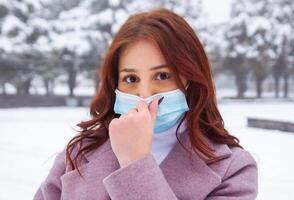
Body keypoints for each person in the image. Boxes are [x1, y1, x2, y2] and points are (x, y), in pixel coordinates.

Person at [33, 8, 258, 200]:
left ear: (191, 78)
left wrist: (136, 162)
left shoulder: (233, 168)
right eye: (131, 79)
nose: (144, 95)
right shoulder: (79, 153)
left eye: (162, 76)